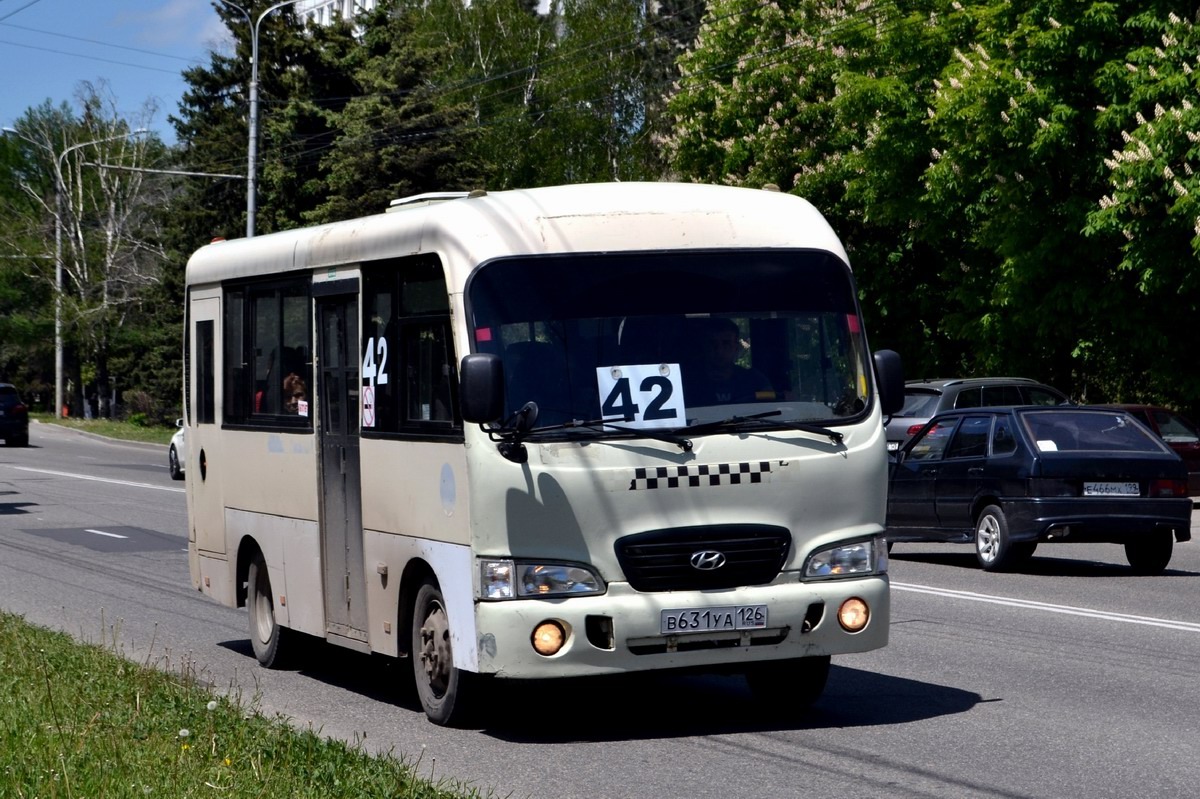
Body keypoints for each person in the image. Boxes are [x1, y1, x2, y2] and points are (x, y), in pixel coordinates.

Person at [685, 318, 773, 405]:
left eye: (726, 343)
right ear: (704, 346)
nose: (719, 350)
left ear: (736, 347)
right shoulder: (688, 382)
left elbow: (773, 407)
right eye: (713, 343)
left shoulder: (755, 380)